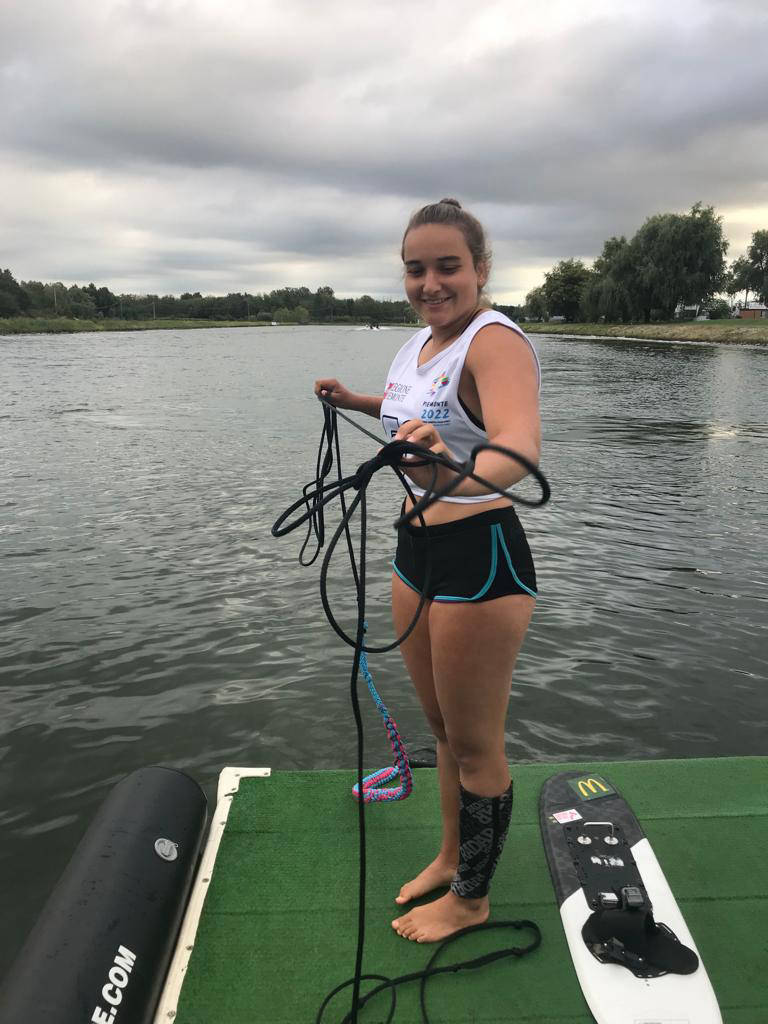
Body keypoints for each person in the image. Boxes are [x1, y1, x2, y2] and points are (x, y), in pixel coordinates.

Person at [314, 198, 541, 943]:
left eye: (448, 266)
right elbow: (414, 411)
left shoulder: (493, 340)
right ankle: (450, 857)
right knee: (442, 729)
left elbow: (517, 448)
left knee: (476, 743)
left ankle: (471, 899)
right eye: (416, 269)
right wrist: (356, 401)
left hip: (481, 557)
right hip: (415, 553)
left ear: (481, 269)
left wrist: (454, 471)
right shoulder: (419, 343)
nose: (431, 283)